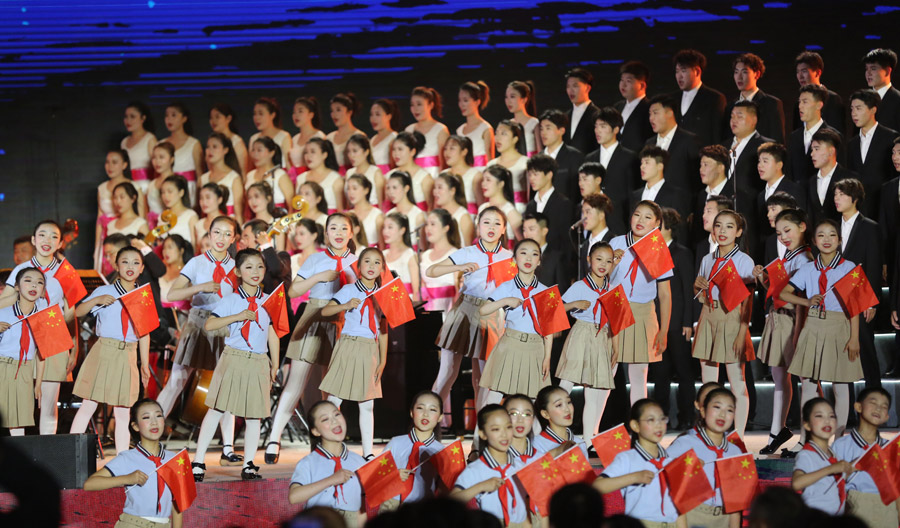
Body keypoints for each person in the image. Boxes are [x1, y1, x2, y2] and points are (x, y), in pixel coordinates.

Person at [267, 213, 357, 464]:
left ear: (351, 233)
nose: (338, 233)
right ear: (326, 234)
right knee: (296, 383)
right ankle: (274, 438)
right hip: (314, 316)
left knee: (334, 388)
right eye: (333, 228)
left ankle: (327, 440)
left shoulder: (357, 262)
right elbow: (293, 290)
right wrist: (318, 277)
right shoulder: (316, 259)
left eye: (343, 228)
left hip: (342, 321)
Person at [154, 216, 242, 464]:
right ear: (209, 235)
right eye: (217, 232)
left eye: (227, 234)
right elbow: (173, 294)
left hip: (224, 325)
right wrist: (198, 287)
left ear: (233, 239)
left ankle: (227, 449)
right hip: (198, 323)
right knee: (177, 381)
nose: (221, 238)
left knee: (226, 386)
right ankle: (149, 436)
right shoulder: (196, 262)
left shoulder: (237, 266)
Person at [191, 248, 279, 481]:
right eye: (249, 267)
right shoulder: (231, 300)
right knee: (217, 409)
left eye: (260, 267)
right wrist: (238, 317)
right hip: (233, 358)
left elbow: (273, 334)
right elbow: (210, 325)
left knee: (254, 416)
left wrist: (275, 364)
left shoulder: (269, 300)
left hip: (258, 361)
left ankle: (249, 465)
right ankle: (198, 461)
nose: (255, 271)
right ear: (238, 272)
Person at [428, 207, 512, 420]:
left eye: (497, 223)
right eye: (486, 222)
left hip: (492, 314)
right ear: (478, 226)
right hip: (464, 311)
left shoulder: (510, 257)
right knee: (447, 372)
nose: (491, 227)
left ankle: (481, 432)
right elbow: (431, 271)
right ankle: (428, 423)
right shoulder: (467, 252)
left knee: (483, 379)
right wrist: (460, 267)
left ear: (504, 229)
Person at [780, 219, 861, 439]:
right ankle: (807, 438)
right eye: (821, 235)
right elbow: (784, 293)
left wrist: (854, 337)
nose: (827, 239)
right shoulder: (808, 268)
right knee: (808, 385)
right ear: (814, 241)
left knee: (840, 385)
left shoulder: (849, 268)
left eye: (832, 235)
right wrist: (807, 302)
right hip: (813, 326)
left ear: (839, 240)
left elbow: (855, 305)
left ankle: (839, 438)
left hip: (840, 327)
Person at [70, 246, 151, 454]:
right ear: (116, 266)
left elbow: (144, 333)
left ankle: (122, 458)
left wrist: (144, 364)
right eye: (125, 262)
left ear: (142, 268)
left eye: (136, 262)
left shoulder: (143, 296)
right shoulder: (104, 291)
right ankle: (70, 454)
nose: (130, 266)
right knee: (89, 404)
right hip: (104, 351)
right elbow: (77, 312)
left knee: (123, 411)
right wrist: (96, 300)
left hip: (128, 353)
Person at [2, 221, 78, 435]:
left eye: (54, 236)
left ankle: (47, 452)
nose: (47, 240)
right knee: (18, 403)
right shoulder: (21, 269)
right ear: (34, 240)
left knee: (48, 402)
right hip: (22, 338)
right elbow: (7, 298)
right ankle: (19, 452)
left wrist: (73, 346)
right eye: (42, 235)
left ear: (60, 243)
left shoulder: (66, 272)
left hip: (54, 337)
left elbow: (70, 312)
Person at [319, 247, 389, 459]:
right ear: (359, 267)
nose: (371, 266)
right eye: (367, 261)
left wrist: (383, 359)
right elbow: (326, 310)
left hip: (370, 350)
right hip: (349, 346)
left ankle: (368, 453)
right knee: (334, 400)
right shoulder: (349, 290)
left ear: (382, 268)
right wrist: (346, 305)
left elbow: (383, 329)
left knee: (367, 404)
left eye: (377, 262)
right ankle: (327, 446)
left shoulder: (383, 294)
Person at [692, 209, 755, 436]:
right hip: (708, 316)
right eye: (718, 225)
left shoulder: (744, 261)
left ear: (738, 232)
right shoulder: (707, 259)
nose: (722, 231)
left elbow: (748, 301)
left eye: (729, 226)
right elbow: (699, 294)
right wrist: (697, 286)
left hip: (733, 318)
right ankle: (710, 433)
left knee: (737, 381)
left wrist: (742, 331)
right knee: (709, 384)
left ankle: (738, 436)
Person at [754, 210, 812, 455]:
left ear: (802, 226)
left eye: (787, 230)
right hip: (778, 318)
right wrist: (764, 280)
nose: (783, 237)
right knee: (779, 378)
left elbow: (801, 298)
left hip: (795, 320)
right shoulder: (790, 256)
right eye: (779, 233)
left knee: (807, 379)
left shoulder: (805, 258)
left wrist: (799, 331)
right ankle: (777, 431)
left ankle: (809, 436)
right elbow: (779, 291)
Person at [83, 399, 183, 528]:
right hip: (133, 524)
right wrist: (127, 479)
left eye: (158, 416)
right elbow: (89, 484)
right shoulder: (128, 458)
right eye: (146, 417)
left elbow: (178, 503)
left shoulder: (174, 459)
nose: (154, 422)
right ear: (135, 426)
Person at [609, 200, 673, 404]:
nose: (640, 220)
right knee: (606, 372)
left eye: (647, 217)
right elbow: (600, 281)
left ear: (657, 223)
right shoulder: (616, 243)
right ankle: (593, 423)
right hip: (615, 310)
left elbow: (665, 294)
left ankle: (638, 422)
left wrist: (664, 330)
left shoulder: (658, 249)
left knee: (639, 376)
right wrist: (612, 263)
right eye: (637, 214)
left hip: (643, 313)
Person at [478, 239, 551, 403]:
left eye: (534, 254)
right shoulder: (507, 287)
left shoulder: (546, 292)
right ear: (514, 259)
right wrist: (505, 301)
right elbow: (483, 310)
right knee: (494, 396)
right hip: (510, 345)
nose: (528, 258)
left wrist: (547, 357)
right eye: (523, 253)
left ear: (539, 261)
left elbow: (549, 329)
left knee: (534, 400)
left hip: (536, 348)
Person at [557, 241, 618, 437]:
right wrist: (573, 304)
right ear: (589, 260)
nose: (603, 264)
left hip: (602, 338)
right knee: (566, 384)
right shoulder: (579, 286)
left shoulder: (612, 289)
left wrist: (616, 348)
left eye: (608, 261)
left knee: (593, 392)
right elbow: (556, 308)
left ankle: (589, 438)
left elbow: (616, 321)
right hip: (581, 334)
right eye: (599, 259)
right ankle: (555, 431)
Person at [594, 398, 679, 526]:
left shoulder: (670, 460)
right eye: (651, 420)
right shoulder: (627, 459)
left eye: (662, 419)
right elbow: (597, 486)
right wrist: (634, 477)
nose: (659, 425)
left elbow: (679, 504)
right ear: (635, 425)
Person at [667, 387, 743, 528]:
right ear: (702, 411)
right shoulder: (685, 443)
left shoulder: (736, 452)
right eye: (717, 407)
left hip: (723, 518)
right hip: (691, 515)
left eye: (729, 410)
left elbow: (736, 502)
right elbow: (660, 477)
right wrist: (682, 467)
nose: (722, 414)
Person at [833, 179, 882, 388]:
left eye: (842, 195)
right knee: (840, 351)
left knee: (866, 347)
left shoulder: (869, 227)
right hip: (836, 297)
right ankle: (847, 403)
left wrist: (871, 301)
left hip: (860, 296)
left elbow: (874, 265)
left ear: (854, 198)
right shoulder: (832, 227)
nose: (837, 199)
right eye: (835, 195)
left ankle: (875, 393)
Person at [650, 208, 696, 430]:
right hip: (656, 322)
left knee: (684, 372)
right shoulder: (650, 253)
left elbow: (688, 290)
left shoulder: (681, 253)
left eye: (657, 225)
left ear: (667, 228)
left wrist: (688, 321)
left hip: (677, 323)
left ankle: (687, 416)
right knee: (660, 374)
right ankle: (662, 417)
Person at [288, 400, 365, 528]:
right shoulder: (308, 463)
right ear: (315, 431)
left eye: (337, 414)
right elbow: (294, 497)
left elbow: (361, 508)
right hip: (320, 521)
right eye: (325, 419)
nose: (334, 421)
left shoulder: (359, 462)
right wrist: (332, 480)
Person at [450, 405, 529, 527]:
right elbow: (451, 503)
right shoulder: (475, 469)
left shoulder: (522, 465)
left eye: (508, 427)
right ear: (482, 434)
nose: (504, 434)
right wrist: (481, 487)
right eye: (496, 429)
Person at [833, 388, 899, 526]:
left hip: (888, 508)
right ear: (858, 407)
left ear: (887, 416)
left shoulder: (890, 448)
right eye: (873, 403)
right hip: (856, 504)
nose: (878, 408)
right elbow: (832, 483)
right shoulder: (841, 445)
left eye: (884, 406)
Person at [379, 391, 445, 511]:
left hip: (424, 507)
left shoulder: (442, 451)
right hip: (392, 504)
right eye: (420, 408)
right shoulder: (396, 443)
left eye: (432, 410)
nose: (425, 414)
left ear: (440, 417)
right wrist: (393, 475)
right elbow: (375, 475)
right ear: (411, 412)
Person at [0, 268, 47, 436]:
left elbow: (42, 354)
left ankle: (18, 453)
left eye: (39, 282)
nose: (34, 285)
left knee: (20, 419)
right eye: (28, 280)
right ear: (17, 287)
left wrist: (38, 383)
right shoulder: (3, 313)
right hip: (3, 365)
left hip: (25, 370)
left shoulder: (43, 319)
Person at [791, 398, 853, 516]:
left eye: (831, 416)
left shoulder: (833, 454)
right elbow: (796, 483)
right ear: (807, 424)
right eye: (819, 416)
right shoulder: (807, 454)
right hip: (816, 518)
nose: (827, 421)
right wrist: (831, 469)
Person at [847, 89, 900, 218]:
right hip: (859, 210)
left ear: (873, 110)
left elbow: (894, 175)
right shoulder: (852, 143)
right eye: (852, 109)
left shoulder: (890, 137)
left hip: (884, 207)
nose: (854, 113)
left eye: (858, 108)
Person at [583, 109, 637, 226]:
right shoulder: (589, 158)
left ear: (616, 129)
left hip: (619, 220)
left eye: (603, 126)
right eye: (596, 126)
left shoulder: (629, 157)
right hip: (594, 221)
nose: (597, 130)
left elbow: (632, 194)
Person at [725, 53, 786, 144]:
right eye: (736, 72)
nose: (739, 77)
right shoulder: (730, 106)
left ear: (757, 74)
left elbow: (778, 141)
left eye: (744, 72)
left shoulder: (771, 104)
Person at [645, 95, 701, 194]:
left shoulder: (689, 140)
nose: (651, 118)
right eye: (650, 114)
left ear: (670, 113)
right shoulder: (649, 143)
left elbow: (696, 179)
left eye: (655, 113)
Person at [788, 84, 843, 184]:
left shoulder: (833, 136)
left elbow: (839, 173)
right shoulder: (794, 137)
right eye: (799, 102)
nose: (800, 106)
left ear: (819, 105)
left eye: (805, 102)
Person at [525, 154, 576, 259]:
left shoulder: (563, 204)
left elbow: (566, 241)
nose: (531, 179)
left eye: (535, 174)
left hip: (556, 262)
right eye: (529, 175)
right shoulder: (530, 206)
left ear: (549, 175)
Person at [94, 149, 138, 274]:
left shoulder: (134, 186)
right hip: (107, 235)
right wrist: (97, 247)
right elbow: (99, 218)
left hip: (128, 230)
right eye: (107, 162)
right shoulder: (102, 188)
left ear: (124, 165)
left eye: (114, 162)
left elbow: (140, 213)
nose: (110, 166)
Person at [673, 49, 728, 147]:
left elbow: (717, 134)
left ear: (697, 72)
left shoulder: (714, 99)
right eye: (677, 71)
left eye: (683, 71)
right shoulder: (672, 98)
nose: (679, 76)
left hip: (702, 154)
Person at [756, 143, 806, 245]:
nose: (760, 165)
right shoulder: (761, 195)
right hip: (769, 249)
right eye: (759, 161)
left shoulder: (794, 190)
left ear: (779, 165)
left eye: (765, 161)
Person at [628, 146, 690, 229]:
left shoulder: (675, 195)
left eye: (647, 162)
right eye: (641, 163)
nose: (642, 166)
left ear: (660, 166)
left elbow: (680, 229)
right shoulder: (635, 195)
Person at [807, 129, 855, 226]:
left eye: (817, 149)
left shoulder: (850, 179)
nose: (812, 154)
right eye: (812, 150)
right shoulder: (811, 182)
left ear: (831, 151)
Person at [724, 100, 773, 196]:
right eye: (732, 116)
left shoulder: (767, 146)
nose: (734, 120)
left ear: (754, 120)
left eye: (739, 116)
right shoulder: (723, 146)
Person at [793, 51, 846, 134]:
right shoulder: (798, 104)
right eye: (797, 72)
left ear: (818, 73)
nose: (800, 76)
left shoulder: (832, 99)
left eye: (804, 71)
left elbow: (837, 133)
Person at [161, 102, 203, 206]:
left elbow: (200, 174)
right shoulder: (161, 144)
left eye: (173, 115)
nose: (169, 119)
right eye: (166, 116)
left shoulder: (193, 144)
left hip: (188, 190)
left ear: (184, 118)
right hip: (168, 192)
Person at [539, 109, 584, 203]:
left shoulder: (575, 156)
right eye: (541, 129)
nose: (543, 133)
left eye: (548, 128)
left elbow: (577, 192)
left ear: (561, 130)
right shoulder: (538, 158)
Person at [420, 209, 460, 314]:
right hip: (428, 314)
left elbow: (459, 290)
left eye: (433, 224)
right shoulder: (425, 256)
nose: (428, 228)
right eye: (427, 224)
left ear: (445, 228)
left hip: (448, 313)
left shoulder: (455, 255)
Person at [531, 385, 590, 457]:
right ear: (545, 414)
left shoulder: (580, 443)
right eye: (559, 405)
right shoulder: (536, 445)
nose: (567, 409)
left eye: (569, 402)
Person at [199, 132, 244, 225]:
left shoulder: (234, 178)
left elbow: (238, 213)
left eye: (215, 147)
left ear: (225, 150)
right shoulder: (203, 178)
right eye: (208, 147)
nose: (210, 150)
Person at [407, 86, 450, 177]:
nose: (415, 109)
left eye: (419, 104)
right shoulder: (409, 130)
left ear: (430, 105)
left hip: (433, 176)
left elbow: (444, 163)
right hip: (412, 177)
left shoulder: (440, 129)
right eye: (412, 105)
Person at [613, 61, 653, 153]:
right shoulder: (617, 107)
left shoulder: (650, 108)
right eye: (621, 80)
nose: (623, 85)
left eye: (628, 81)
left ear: (642, 85)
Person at [486, 120, 526, 213]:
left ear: (515, 139)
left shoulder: (525, 163)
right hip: (496, 211)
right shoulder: (491, 165)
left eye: (504, 134)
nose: (498, 138)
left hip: (519, 210)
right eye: (496, 133)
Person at [296, 137, 344, 213]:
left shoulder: (335, 179)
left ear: (324, 155)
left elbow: (340, 210)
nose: (308, 156)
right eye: (306, 152)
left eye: (313, 152)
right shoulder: (300, 178)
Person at [244, 136, 292, 212]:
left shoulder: (280, 175)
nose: (255, 154)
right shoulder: (250, 175)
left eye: (259, 150)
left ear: (271, 153)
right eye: (253, 150)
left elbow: (291, 205)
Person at [389, 131, 433, 211]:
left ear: (412, 151)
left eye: (400, 149)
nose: (396, 153)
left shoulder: (424, 178)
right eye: (394, 149)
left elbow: (431, 206)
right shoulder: (389, 175)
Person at [120, 101, 158, 196]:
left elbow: (157, 167)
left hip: (146, 187)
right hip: (128, 188)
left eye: (132, 117)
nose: (128, 120)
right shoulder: (124, 142)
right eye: (126, 117)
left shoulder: (150, 139)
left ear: (143, 118)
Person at [523, 212, 571, 287]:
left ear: (544, 231)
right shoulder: (521, 257)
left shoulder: (556, 258)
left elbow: (562, 288)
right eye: (524, 230)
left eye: (531, 229)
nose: (526, 234)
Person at [576, 194, 615, 279]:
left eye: (588, 212)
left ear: (601, 215)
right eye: (583, 212)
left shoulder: (614, 241)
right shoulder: (585, 245)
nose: (583, 217)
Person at [479, 165, 522, 243]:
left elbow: (523, 242)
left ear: (501, 184)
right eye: (483, 180)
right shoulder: (482, 208)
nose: (483, 184)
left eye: (488, 180)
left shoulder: (510, 211)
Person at [248, 97, 292, 173]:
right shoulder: (253, 138)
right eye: (255, 114)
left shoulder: (284, 136)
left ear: (272, 115)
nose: (257, 118)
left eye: (261, 114)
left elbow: (288, 164)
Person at [384, 171, 426, 250]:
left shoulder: (418, 215)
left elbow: (422, 247)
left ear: (406, 188)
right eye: (388, 188)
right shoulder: (389, 214)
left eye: (394, 187)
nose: (391, 192)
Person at [288, 97, 326, 184]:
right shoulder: (294, 139)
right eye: (294, 112)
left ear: (311, 115)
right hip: (295, 180)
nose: (296, 115)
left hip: (313, 180)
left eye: (300, 111)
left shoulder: (319, 136)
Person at [564, 68, 601, 156]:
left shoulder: (597, 115)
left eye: (575, 86)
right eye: (568, 86)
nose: (571, 90)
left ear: (587, 88)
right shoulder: (565, 116)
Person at [457, 81, 494, 167]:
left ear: (477, 102)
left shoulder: (485, 128)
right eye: (459, 100)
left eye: (465, 100)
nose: (461, 104)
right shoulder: (459, 130)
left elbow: (490, 160)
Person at [383, 213, 419, 300]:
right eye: (384, 227)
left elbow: (417, 291)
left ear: (402, 230)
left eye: (390, 227)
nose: (385, 231)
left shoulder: (410, 255)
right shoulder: (382, 255)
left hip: (406, 301)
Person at [157, 175, 200, 250]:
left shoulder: (190, 216)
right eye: (163, 192)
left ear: (181, 192)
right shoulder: (162, 216)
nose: (165, 196)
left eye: (170, 192)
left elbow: (195, 246)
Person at [432, 172, 475, 246]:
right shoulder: (435, 214)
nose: (435, 192)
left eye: (440, 187)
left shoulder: (463, 217)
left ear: (452, 191)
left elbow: (468, 247)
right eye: (434, 188)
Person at [863, 48, 900, 133]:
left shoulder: (897, 100)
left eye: (873, 68)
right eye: (866, 69)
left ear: (887, 71)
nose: (868, 73)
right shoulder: (862, 99)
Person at [346, 134, 386, 210]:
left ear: (366, 152)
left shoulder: (375, 172)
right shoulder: (349, 173)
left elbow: (381, 203)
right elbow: (348, 204)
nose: (351, 155)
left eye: (355, 151)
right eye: (349, 151)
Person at [327, 93, 363, 174]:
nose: (334, 114)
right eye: (332, 111)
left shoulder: (359, 136)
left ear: (349, 112)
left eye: (338, 110)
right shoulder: (329, 138)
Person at [209, 103, 248, 177]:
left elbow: (243, 171)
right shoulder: (211, 141)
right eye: (211, 118)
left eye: (217, 117)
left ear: (228, 118)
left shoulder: (236, 142)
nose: (213, 121)